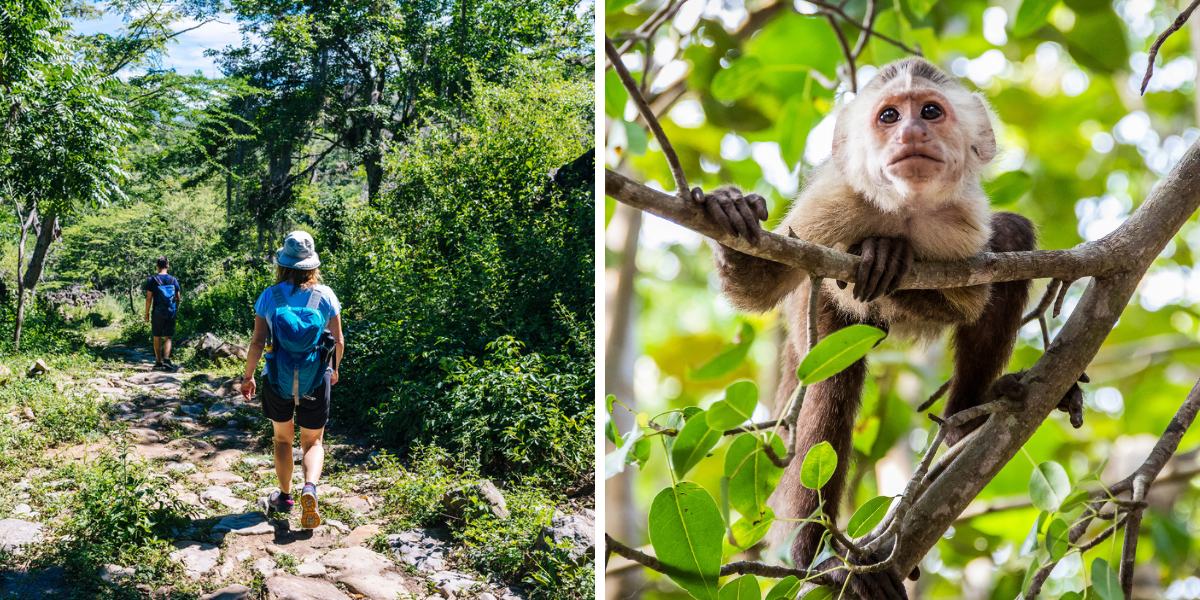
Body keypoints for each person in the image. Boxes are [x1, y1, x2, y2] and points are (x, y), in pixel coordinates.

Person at [241, 231, 344, 529]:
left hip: (276, 379)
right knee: (313, 441)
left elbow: (258, 342)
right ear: (312, 263)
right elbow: (337, 339)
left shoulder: (269, 295)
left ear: (283, 263)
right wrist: (333, 368)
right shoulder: (325, 295)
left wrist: (248, 377)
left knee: (283, 439)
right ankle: (309, 488)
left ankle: (285, 496)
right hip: (316, 377)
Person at [144, 257, 181, 371]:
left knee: (157, 337)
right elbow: (178, 297)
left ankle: (158, 362)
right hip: (170, 311)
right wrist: (175, 310)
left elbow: (149, 299)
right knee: (168, 337)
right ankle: (167, 360)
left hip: (157, 312)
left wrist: (146, 313)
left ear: (157, 267)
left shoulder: (152, 280)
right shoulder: (173, 279)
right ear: (168, 266)